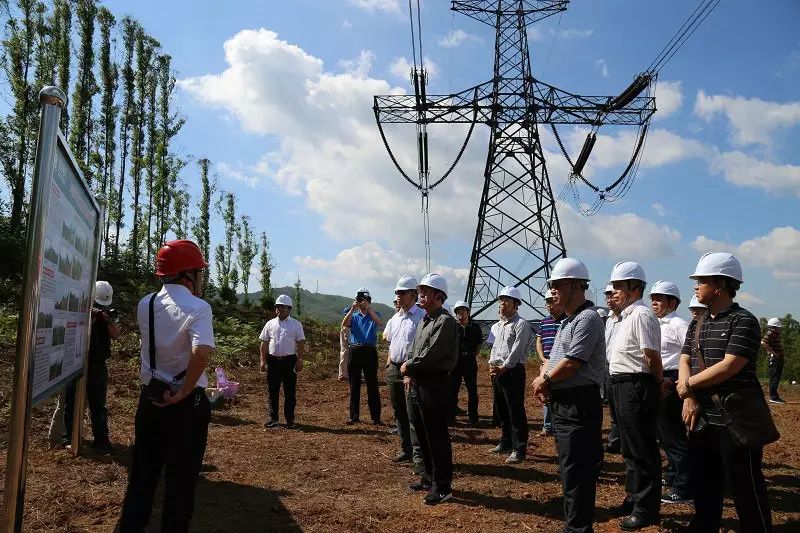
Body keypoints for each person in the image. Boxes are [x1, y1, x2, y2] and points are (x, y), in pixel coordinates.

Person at [119, 240, 214, 532]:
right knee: (180, 484)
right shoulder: (198, 307)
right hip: (186, 406)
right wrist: (185, 390)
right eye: (199, 272)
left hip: (150, 399)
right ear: (188, 274)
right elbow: (202, 352)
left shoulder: (145, 304)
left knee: (142, 479)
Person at [677, 252, 772, 532]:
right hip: (701, 416)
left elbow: (730, 366)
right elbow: (685, 359)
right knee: (705, 480)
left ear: (720, 284)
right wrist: (688, 395)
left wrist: (689, 386)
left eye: (701, 280)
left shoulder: (744, 321)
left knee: (745, 484)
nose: (695, 286)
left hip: (734, 418)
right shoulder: (698, 321)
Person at [531, 257, 606, 533]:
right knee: (568, 467)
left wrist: (545, 379)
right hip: (565, 402)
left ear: (576, 286)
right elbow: (555, 358)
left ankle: (578, 528)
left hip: (580, 403)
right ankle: (574, 524)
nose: (553, 292)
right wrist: (547, 380)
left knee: (578, 470)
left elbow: (573, 362)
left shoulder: (588, 319)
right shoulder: (566, 321)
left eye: (558, 286)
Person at [607, 261, 662, 531]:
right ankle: (634, 498)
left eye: (619, 286)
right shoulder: (625, 316)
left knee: (642, 449)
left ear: (634, 287)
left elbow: (651, 355)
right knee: (629, 448)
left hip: (636, 384)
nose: (614, 291)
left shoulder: (641, 315)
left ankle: (647, 509)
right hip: (620, 383)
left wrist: (658, 382)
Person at [401, 273, 458, 505]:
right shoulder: (425, 320)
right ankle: (428, 477)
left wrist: (409, 366)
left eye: (425, 291)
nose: (421, 294)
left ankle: (442, 486)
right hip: (419, 382)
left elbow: (431, 354)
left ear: (439, 296)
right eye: (420, 290)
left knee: (436, 436)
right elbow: (415, 350)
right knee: (422, 433)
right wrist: (411, 370)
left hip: (434, 383)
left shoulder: (445, 321)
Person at [61, 280, 121, 451]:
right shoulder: (77, 308)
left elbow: (116, 335)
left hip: (98, 364)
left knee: (98, 404)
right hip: (76, 362)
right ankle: (69, 437)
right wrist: (88, 318)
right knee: (72, 402)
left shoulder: (105, 316)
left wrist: (107, 320)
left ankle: (102, 440)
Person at [649, 281, 691, 505]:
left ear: (672, 302)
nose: (654, 302)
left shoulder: (678, 324)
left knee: (673, 434)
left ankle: (685, 485)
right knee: (663, 433)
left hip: (673, 378)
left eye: (660, 298)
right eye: (653, 298)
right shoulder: (657, 324)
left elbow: (691, 354)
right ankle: (674, 474)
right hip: (659, 377)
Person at [488, 286, 533, 465]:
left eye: (506, 300)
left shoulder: (521, 324)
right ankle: (505, 441)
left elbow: (517, 350)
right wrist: (491, 364)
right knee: (501, 409)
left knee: (515, 410)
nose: (502, 303)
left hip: (512, 371)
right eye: (501, 300)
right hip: (497, 371)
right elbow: (495, 348)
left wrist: (504, 367)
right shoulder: (498, 325)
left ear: (516, 304)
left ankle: (519, 448)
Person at [382, 276, 425, 464]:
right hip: (394, 368)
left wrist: (411, 371)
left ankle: (419, 454)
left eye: (402, 293)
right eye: (396, 293)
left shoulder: (421, 317)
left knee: (413, 414)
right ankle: (405, 449)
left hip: (411, 370)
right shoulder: (395, 318)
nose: (398, 296)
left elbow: (422, 346)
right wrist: (390, 364)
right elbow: (390, 341)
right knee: (399, 411)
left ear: (413, 295)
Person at [259, 294, 306, 428]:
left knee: (289, 392)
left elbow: (301, 343)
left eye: (282, 307)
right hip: (273, 361)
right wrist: (263, 360)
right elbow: (264, 343)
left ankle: (290, 420)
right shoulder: (270, 324)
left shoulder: (296, 325)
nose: (279, 309)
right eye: (277, 307)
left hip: (289, 361)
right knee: (272, 391)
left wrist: (300, 360)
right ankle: (273, 419)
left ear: (289, 309)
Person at [342, 287, 383, 424]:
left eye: (364, 300)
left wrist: (368, 309)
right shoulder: (353, 315)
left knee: (372, 384)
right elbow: (344, 324)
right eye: (359, 300)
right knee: (354, 385)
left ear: (369, 301)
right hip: (355, 349)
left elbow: (379, 323)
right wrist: (353, 309)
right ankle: (354, 416)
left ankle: (376, 418)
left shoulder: (374, 314)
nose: (361, 303)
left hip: (370, 351)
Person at [535, 289, 564, 437]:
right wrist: (543, 358)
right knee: (545, 394)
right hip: (546, 363)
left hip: (561, 364)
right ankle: (547, 426)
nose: (550, 305)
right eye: (547, 302)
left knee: (560, 394)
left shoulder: (567, 321)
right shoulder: (544, 322)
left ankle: (559, 425)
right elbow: (539, 341)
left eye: (552, 302)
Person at [450, 300, 483, 426]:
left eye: (463, 311)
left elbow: (479, 342)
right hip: (456, 361)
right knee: (453, 389)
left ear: (468, 312)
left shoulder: (475, 327)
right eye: (458, 311)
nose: (461, 313)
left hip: (469, 360)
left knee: (472, 390)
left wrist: (474, 353)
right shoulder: (454, 327)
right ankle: (451, 415)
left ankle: (473, 417)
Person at [604, 284, 622, 454]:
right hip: (609, 367)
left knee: (623, 409)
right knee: (614, 409)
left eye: (612, 295)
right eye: (607, 296)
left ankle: (623, 441)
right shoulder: (610, 320)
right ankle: (616, 441)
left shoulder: (627, 318)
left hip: (623, 370)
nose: (609, 300)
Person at [762, 317, 785, 403]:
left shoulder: (775, 334)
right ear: (773, 327)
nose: (780, 328)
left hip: (778, 358)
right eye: (778, 327)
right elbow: (763, 343)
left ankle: (774, 396)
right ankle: (774, 397)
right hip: (775, 358)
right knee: (774, 377)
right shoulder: (770, 333)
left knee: (776, 376)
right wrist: (773, 353)